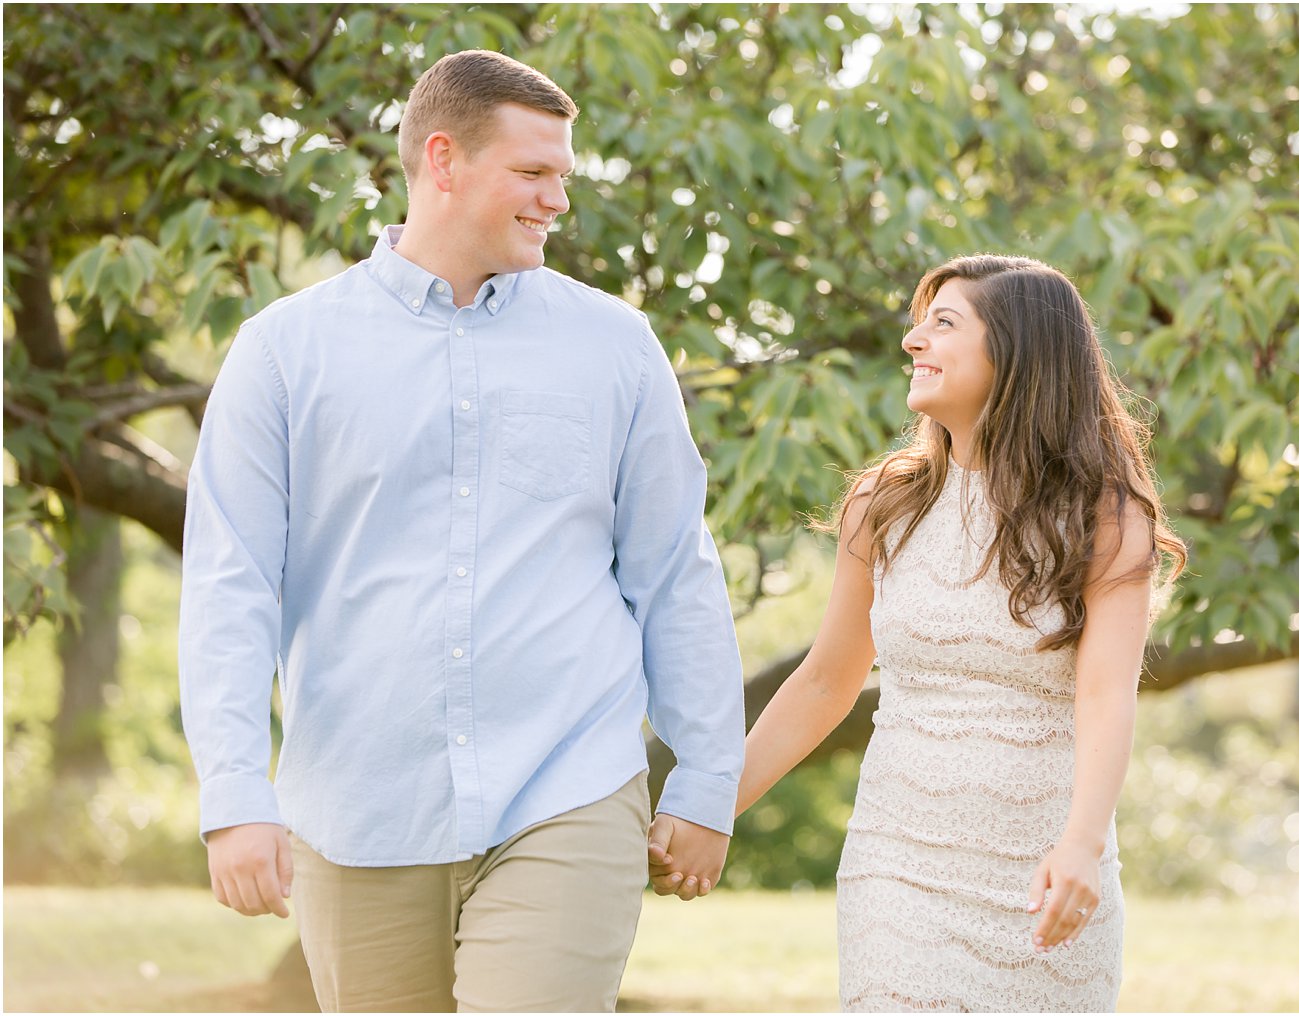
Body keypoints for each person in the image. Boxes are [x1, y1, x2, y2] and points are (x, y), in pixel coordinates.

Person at [179, 50, 744, 1012]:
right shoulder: (284, 351)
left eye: (563, 175)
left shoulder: (615, 347)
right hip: (357, 801)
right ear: (442, 160)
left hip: (568, 783)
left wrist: (706, 775)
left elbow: (673, 574)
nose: (558, 200)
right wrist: (234, 794)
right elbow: (230, 585)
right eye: (535, 173)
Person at [655, 255, 1185, 1010]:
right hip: (897, 870)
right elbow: (825, 680)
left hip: (1044, 871)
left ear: (1019, 353)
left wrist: (1083, 844)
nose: (912, 341)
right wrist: (711, 805)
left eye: (943, 323)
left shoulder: (1105, 516)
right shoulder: (885, 503)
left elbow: (1106, 697)